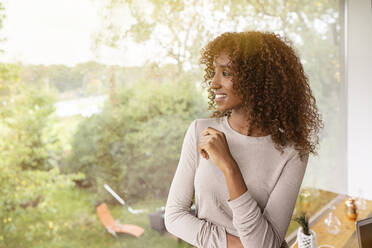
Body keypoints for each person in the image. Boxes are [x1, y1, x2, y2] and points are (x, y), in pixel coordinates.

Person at [164, 31, 323, 248]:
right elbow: (174, 217)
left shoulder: (293, 152)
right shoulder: (200, 132)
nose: (213, 83)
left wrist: (230, 167)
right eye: (214, 72)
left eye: (226, 72)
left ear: (257, 79)